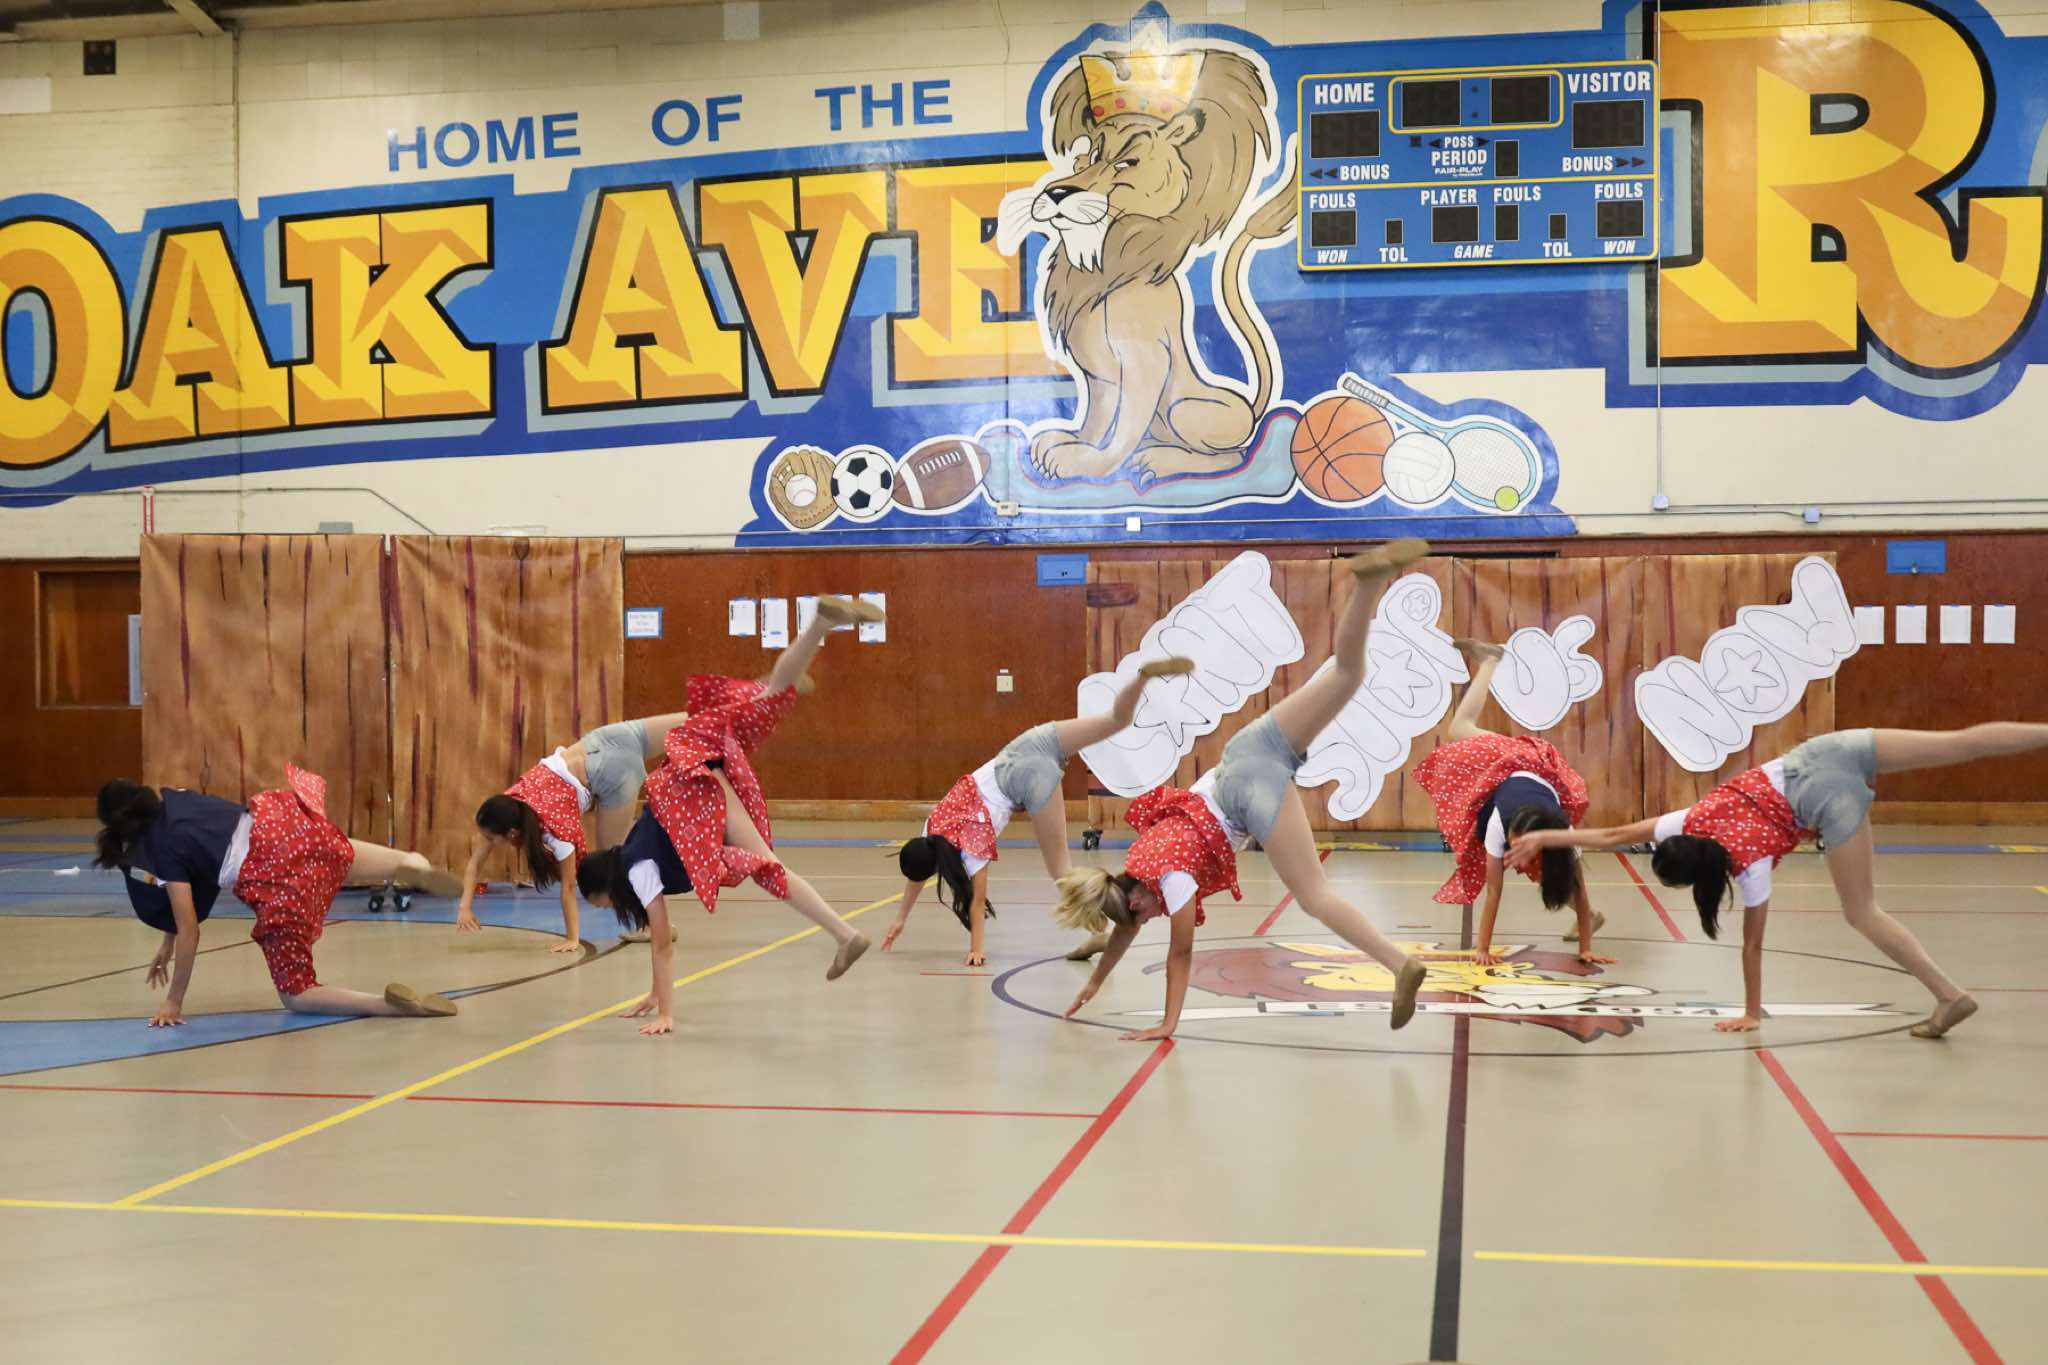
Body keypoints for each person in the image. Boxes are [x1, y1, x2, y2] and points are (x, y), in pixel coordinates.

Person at [1052, 540, 1435, 1041]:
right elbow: (1126, 929)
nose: (1148, 919)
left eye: (1143, 914)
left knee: (1315, 896)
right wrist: (1094, 983)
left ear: (1137, 896)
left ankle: (1399, 964)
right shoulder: (1137, 867)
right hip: (1248, 749)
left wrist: (1167, 1023)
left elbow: (1180, 954)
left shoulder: (1170, 881)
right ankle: (1368, 583)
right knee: (1348, 674)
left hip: (1246, 794)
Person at [1508, 724, 2048, 1038]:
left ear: (1697, 879)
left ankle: (1950, 995)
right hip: (1824, 753)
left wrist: (1750, 1012)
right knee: (1960, 742)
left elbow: (1753, 947)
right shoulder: (1693, 818)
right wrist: (1544, 838)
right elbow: (1615, 834)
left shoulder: (1750, 866)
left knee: (1862, 912)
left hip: (1828, 801)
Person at [575, 596, 880, 1036]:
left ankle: (845, 935)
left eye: (599, 902)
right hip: (701, 770)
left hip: (699, 788)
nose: (604, 909)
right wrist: (655, 995)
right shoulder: (635, 855)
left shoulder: (638, 873)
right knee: (769, 698)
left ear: (604, 888)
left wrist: (666, 1014)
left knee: (770, 870)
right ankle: (817, 628)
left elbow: (662, 945)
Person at [455, 676, 814, 952]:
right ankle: (770, 689)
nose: (485, 842)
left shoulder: (551, 833)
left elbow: (568, 888)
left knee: (615, 862)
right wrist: (464, 908)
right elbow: (474, 862)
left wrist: (572, 939)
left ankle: (648, 924)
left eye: (490, 838)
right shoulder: (511, 801)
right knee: (702, 719)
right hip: (607, 739)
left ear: (511, 834)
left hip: (611, 774)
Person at [882, 656, 1195, 966]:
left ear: (936, 865)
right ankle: (1142, 677)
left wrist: (976, 949)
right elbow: (917, 870)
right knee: (1115, 720)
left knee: (1063, 874)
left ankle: (1101, 930)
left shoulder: (969, 850)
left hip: (1031, 780)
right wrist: (900, 918)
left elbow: (976, 902)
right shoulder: (932, 825)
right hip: (1029, 745)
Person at [95, 767, 464, 1025]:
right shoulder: (176, 798)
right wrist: (167, 945)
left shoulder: (158, 850)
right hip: (286, 826)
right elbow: (191, 865)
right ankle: (413, 865)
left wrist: (173, 1002)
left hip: (272, 873)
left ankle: (388, 1007)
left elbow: (189, 927)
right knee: (348, 859)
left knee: (297, 993)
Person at [1415, 639, 1610, 966]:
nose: (1514, 855)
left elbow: (1579, 886)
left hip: (1528, 775)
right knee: (1459, 729)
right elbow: (1494, 891)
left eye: (1520, 847)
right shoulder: (1497, 826)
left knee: (1555, 869)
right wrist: (1482, 950)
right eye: (1514, 845)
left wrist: (1585, 949)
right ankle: (1489, 661)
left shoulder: (1563, 836)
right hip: (1516, 763)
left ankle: (1490, 660)